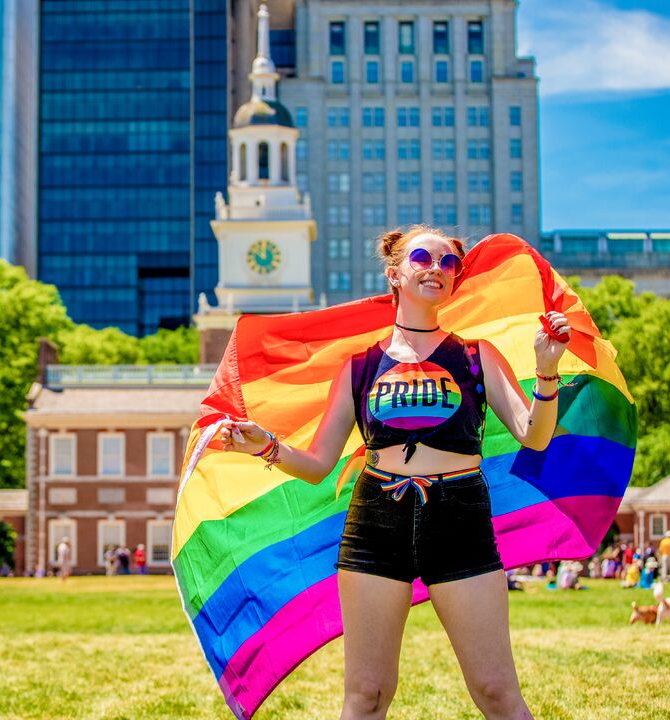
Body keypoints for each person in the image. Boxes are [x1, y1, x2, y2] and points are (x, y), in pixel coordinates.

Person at [219, 226, 572, 719]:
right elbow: (319, 465)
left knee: (496, 690)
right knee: (367, 694)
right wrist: (268, 446)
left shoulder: (477, 356)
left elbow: (533, 435)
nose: (437, 269)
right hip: (375, 522)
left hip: (460, 517)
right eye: (423, 257)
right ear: (395, 274)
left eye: (449, 263)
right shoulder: (359, 366)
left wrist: (547, 367)